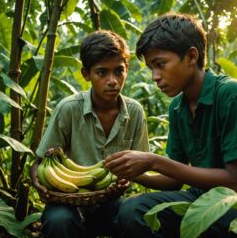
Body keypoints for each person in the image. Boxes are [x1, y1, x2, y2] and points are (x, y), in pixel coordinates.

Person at [104, 13, 237, 237]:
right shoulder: (178, 107)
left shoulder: (232, 95)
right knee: (132, 210)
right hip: (201, 200)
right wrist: (132, 173)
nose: (155, 76)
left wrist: (154, 161)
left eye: (160, 64)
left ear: (191, 56)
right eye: (151, 68)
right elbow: (174, 181)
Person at [31, 30, 149, 238]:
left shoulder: (135, 112)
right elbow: (39, 163)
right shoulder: (69, 109)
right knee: (59, 221)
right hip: (68, 200)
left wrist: (126, 180)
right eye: (102, 72)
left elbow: (140, 166)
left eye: (118, 71)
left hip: (111, 201)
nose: (112, 80)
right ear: (86, 74)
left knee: (135, 217)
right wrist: (40, 184)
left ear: (127, 69)